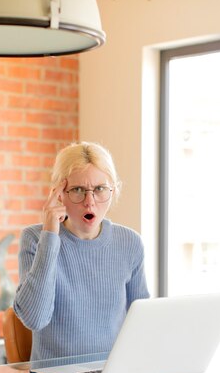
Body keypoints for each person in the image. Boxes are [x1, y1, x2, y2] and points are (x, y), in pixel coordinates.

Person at [13, 141, 150, 361]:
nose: (90, 202)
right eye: (77, 190)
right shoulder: (35, 238)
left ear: (113, 191)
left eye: (100, 189)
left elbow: (143, 323)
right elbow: (34, 318)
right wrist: (50, 235)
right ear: (59, 194)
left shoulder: (130, 243)